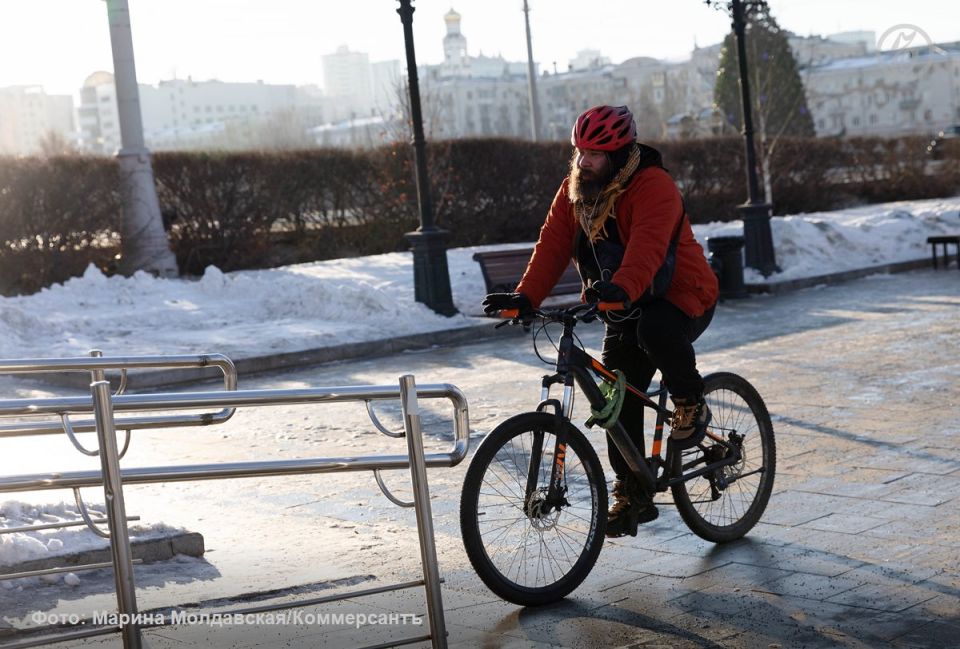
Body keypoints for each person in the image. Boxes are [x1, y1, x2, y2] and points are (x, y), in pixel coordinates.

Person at [482, 105, 720, 538]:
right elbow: (552, 245)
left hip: (682, 294)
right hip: (622, 303)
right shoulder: (575, 191)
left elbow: (647, 248)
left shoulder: (654, 187)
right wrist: (525, 297)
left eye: (595, 153)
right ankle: (633, 491)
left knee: (656, 329)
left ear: (619, 153)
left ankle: (691, 400)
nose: (584, 161)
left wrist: (622, 287)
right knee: (616, 397)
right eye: (580, 151)